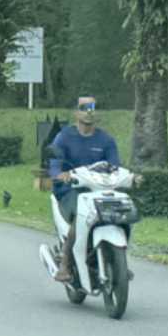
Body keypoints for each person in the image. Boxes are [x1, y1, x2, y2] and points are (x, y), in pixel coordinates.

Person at [46, 96, 120, 283]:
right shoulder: (64, 137)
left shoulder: (106, 140)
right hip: (70, 191)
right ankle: (65, 262)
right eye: (84, 107)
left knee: (120, 212)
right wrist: (59, 174)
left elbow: (115, 167)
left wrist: (128, 177)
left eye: (93, 107)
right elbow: (54, 163)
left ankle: (119, 260)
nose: (89, 112)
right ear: (75, 112)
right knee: (80, 216)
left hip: (98, 190)